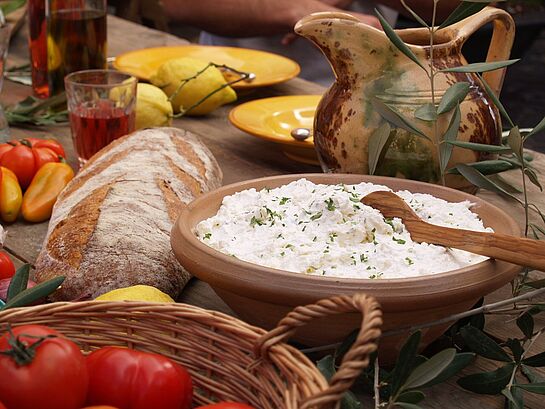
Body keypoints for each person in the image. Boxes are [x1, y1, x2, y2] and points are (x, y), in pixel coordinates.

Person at [162, 0, 458, 85]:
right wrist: (295, 10)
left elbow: (459, 7)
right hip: (229, 88)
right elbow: (175, 5)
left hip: (372, 97)